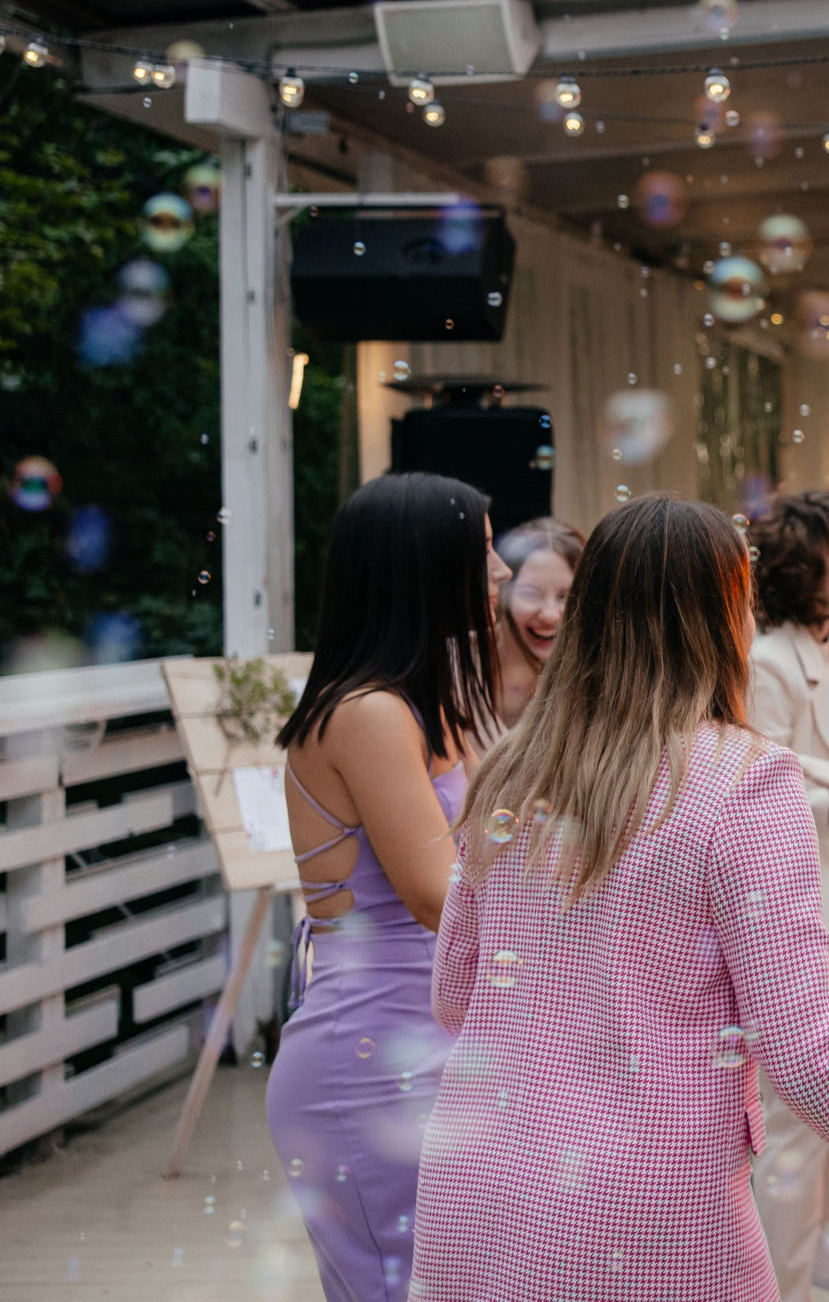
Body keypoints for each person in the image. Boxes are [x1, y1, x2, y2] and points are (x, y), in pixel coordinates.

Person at [411, 495, 829, 1302]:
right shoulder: (744, 783)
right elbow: (811, 1054)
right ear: (723, 618)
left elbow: (454, 994)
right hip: (649, 1216)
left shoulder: (510, 768)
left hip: (476, 1186)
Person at [268, 471, 509, 1302]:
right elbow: (437, 896)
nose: (503, 575)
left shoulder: (436, 704)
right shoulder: (369, 712)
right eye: (483, 556)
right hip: (368, 1061)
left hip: (436, 1038)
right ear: (422, 566)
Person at [745, 489, 829, 1298]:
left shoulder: (826, 649)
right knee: (800, 1111)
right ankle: (778, 1276)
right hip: (800, 912)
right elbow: (747, 788)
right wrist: (827, 796)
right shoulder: (769, 663)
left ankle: (805, 1244)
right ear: (806, 567)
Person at [489, 515, 581, 726]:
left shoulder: (593, 671)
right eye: (530, 594)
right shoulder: (460, 663)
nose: (549, 615)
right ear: (503, 595)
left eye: (564, 596)